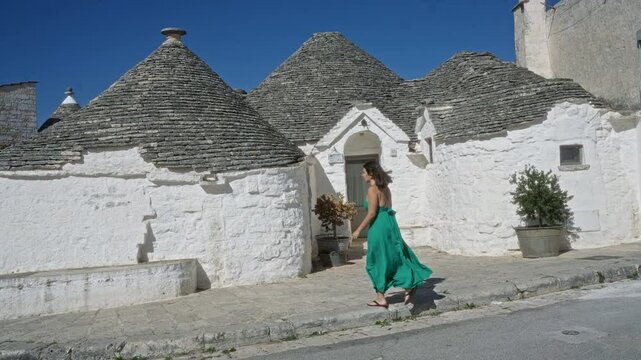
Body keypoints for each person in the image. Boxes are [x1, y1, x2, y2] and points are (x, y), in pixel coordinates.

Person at [351, 161, 432, 308]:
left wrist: (357, 230)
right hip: (390, 223)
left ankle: (381, 297)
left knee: (376, 260)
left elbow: (372, 213)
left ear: (371, 174)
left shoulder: (372, 190)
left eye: (364, 172)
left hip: (379, 226)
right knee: (394, 255)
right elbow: (387, 208)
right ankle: (408, 285)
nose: (362, 175)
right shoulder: (386, 189)